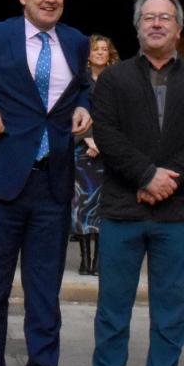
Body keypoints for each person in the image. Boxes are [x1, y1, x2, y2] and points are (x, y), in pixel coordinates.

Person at [0, 0, 93, 366]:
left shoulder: (76, 41)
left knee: (45, 294)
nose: (50, 0)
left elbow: (83, 86)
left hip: (52, 186)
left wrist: (86, 107)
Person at [88, 0, 184, 366]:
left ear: (179, 29)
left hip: (177, 215)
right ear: (137, 28)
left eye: (165, 17)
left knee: (170, 314)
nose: (157, 23)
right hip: (121, 211)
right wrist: (147, 176)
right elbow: (108, 135)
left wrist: (167, 182)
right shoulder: (113, 78)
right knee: (112, 312)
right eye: (149, 17)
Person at [72, 33, 119, 276]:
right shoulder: (80, 80)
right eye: (95, 49)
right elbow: (71, 111)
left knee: (102, 206)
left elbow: (118, 115)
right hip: (82, 151)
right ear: (88, 55)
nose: (100, 52)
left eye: (104, 49)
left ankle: (99, 262)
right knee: (81, 205)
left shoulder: (116, 80)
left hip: (107, 152)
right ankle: (84, 260)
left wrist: (100, 141)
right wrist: (87, 138)